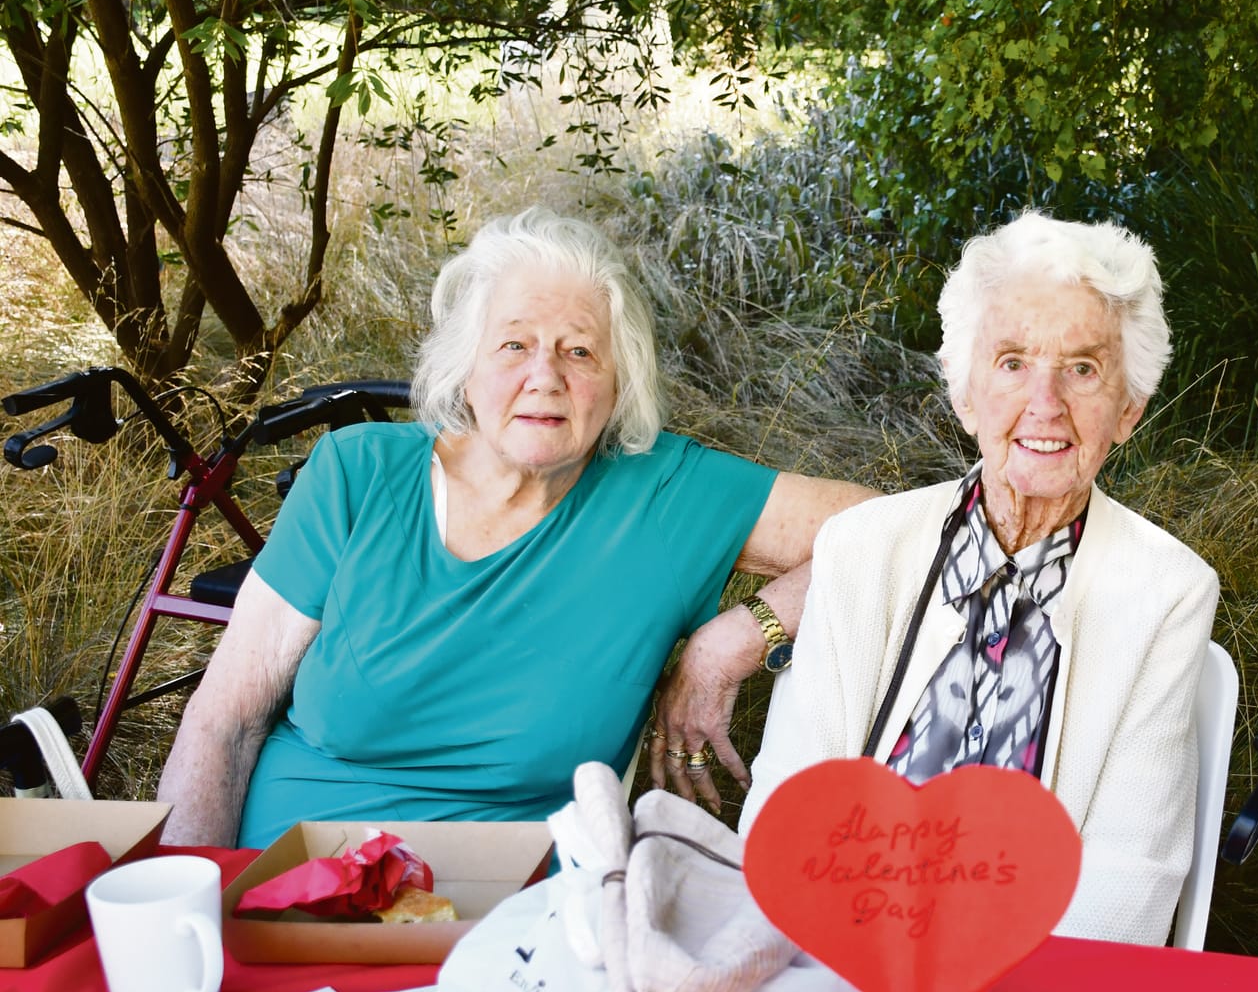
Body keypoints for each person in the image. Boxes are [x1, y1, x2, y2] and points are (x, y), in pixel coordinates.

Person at [157, 207, 872, 847]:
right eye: (513, 345)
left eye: (580, 350)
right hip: (288, 889)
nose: (545, 375)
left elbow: (889, 532)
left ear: (620, 383)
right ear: (464, 368)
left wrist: (732, 642)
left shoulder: (664, 495)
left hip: (512, 930)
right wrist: (191, 910)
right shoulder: (359, 473)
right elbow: (226, 722)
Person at [734, 210, 1220, 945]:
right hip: (837, 962)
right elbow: (788, 811)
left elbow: (1130, 886)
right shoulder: (863, 549)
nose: (1046, 402)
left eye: (1083, 368)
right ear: (965, 394)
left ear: (1129, 409)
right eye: (1013, 361)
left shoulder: (1169, 594)